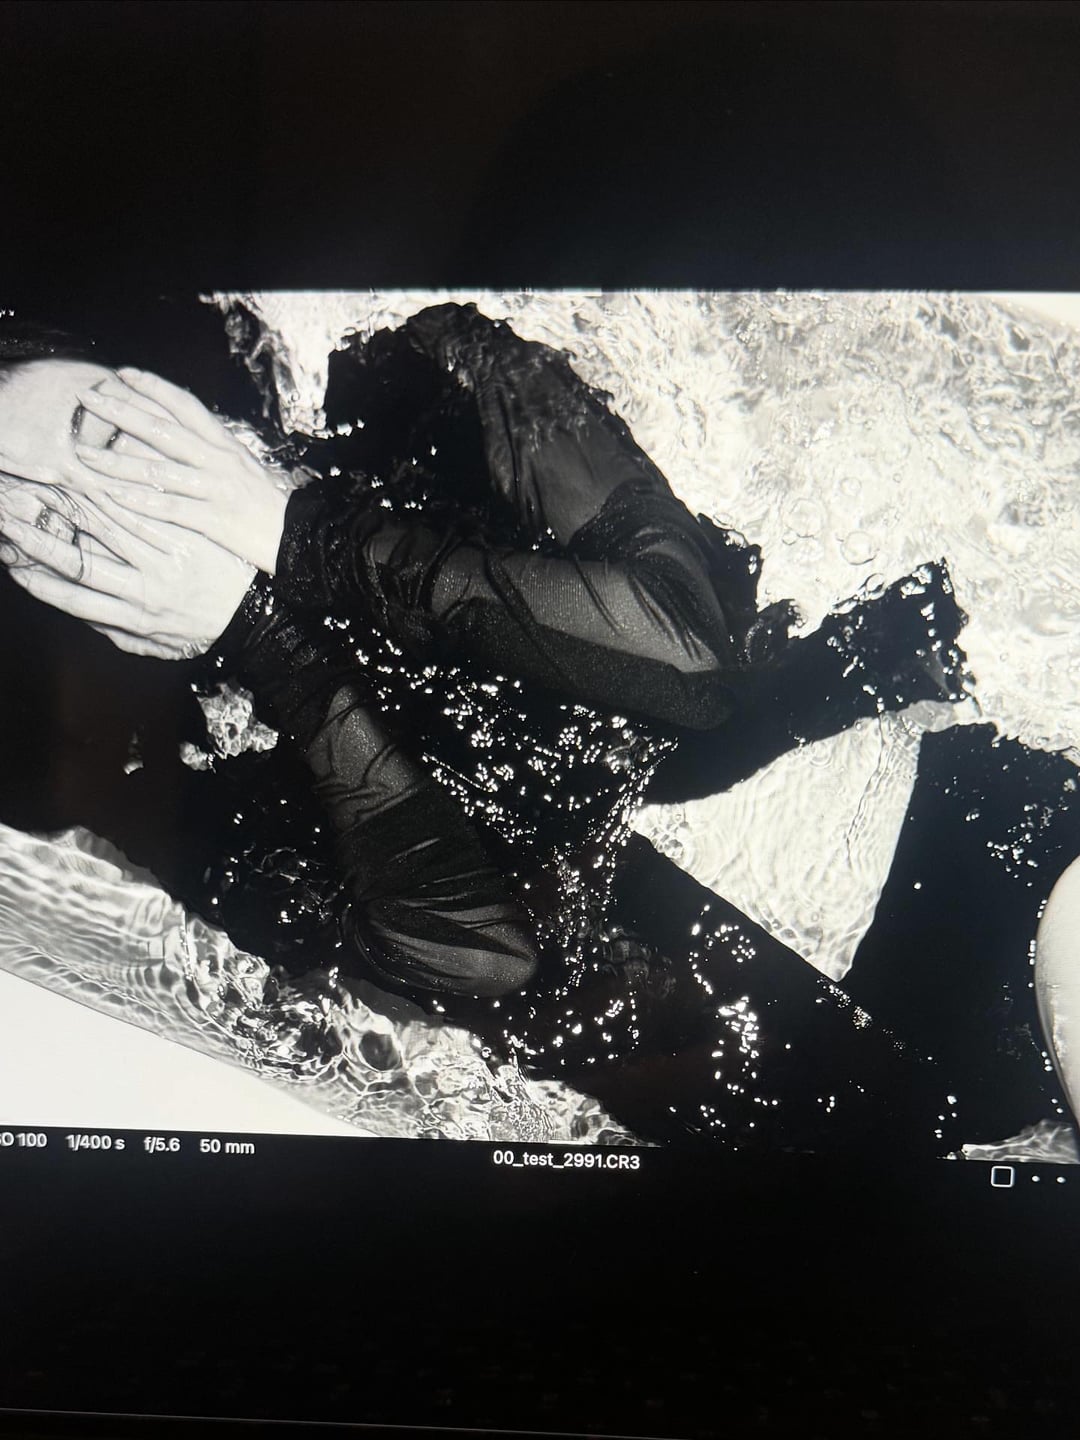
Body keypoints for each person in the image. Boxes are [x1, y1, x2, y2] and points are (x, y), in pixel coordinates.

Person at [0, 302, 1056, 1151]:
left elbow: (688, 658)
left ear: (156, 384)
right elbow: (484, 960)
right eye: (41, 516)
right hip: (860, 1109)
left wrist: (291, 533)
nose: (107, 505)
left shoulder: (418, 381)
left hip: (981, 822)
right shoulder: (182, 773)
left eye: (102, 432)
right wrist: (264, 640)